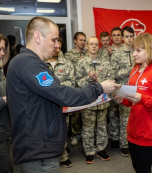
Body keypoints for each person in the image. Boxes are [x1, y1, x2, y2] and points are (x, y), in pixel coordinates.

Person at [6, 16, 119, 173]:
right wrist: (99, 88)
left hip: (39, 150)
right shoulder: (28, 63)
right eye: (54, 40)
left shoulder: (29, 62)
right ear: (37, 36)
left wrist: (69, 107)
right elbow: (62, 94)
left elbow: (42, 100)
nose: (57, 45)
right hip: (38, 154)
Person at [115, 33, 152, 173]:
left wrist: (143, 99)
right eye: (134, 50)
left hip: (150, 131)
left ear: (149, 50)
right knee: (137, 168)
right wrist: (122, 98)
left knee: (143, 169)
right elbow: (131, 99)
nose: (134, 54)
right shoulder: (135, 70)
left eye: (138, 50)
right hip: (134, 129)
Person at [76, 37, 114, 164]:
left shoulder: (106, 63)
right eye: (91, 44)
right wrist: (89, 79)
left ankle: (101, 149)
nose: (93, 46)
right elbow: (77, 83)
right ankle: (89, 151)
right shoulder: (81, 63)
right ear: (86, 46)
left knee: (102, 126)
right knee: (88, 127)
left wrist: (100, 82)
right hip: (88, 102)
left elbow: (111, 80)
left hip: (102, 102)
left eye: (96, 44)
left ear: (99, 47)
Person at [46, 37, 74, 168]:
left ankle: (63, 156)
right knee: (47, 131)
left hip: (62, 104)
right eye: (54, 46)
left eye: (59, 47)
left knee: (62, 130)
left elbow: (72, 83)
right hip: (45, 104)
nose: (57, 49)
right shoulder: (41, 63)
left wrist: (58, 87)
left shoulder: (67, 63)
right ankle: (49, 157)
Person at [109, 26, 134, 156]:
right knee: (123, 117)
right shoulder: (117, 53)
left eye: (131, 36)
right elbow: (113, 73)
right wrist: (130, 69)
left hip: (135, 89)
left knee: (132, 117)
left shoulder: (137, 52)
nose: (129, 39)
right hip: (122, 88)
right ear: (123, 38)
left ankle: (129, 140)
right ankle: (124, 144)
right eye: (127, 37)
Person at [64, 31, 87, 146]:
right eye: (80, 40)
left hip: (85, 87)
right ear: (75, 41)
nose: (82, 42)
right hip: (74, 88)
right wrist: (79, 62)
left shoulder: (87, 53)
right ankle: (74, 135)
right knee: (74, 114)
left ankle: (84, 134)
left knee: (85, 112)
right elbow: (67, 70)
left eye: (84, 40)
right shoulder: (68, 55)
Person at [0, 33, 13, 173]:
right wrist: (5, 99)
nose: (2, 53)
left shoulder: (0, 70)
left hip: (4, 129)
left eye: (3, 50)